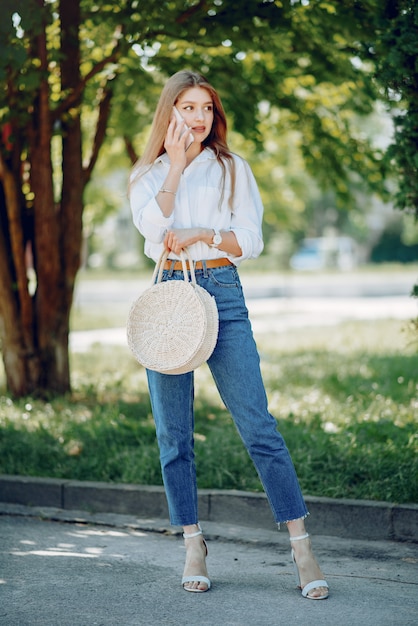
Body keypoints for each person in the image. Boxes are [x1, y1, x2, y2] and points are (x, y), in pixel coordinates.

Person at [129, 69, 329, 600]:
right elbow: (152, 228)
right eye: (188, 108)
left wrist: (203, 233)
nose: (198, 118)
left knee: (258, 425)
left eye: (206, 109)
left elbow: (252, 239)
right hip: (168, 297)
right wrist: (173, 167)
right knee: (173, 434)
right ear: (170, 112)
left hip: (222, 290)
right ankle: (193, 542)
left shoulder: (232, 168)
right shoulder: (146, 174)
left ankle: (302, 546)